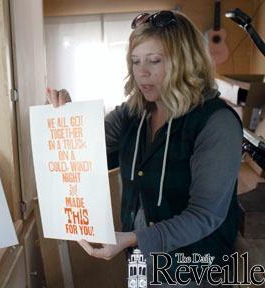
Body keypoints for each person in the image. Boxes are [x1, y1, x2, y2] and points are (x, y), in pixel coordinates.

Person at [46, 11, 242, 287]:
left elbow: (204, 216)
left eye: (155, 61)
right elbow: (86, 150)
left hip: (193, 268)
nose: (142, 72)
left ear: (185, 62)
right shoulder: (132, 113)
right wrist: (67, 118)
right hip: (138, 257)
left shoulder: (216, 122)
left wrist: (134, 238)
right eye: (135, 61)